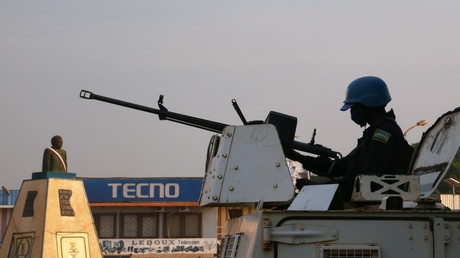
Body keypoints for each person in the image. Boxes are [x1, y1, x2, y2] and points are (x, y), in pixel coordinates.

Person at [289, 76, 413, 201]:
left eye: (353, 107)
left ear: (366, 105)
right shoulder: (373, 135)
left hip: (376, 207)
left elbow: (364, 180)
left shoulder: (384, 134)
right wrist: (298, 157)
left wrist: (320, 188)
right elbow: (341, 166)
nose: (352, 113)